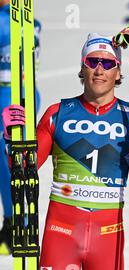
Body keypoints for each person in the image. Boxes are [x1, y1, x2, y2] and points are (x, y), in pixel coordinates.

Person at [2, 33, 129, 270]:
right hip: (60, 234)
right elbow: (23, 171)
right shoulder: (58, 113)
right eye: (93, 61)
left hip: (108, 238)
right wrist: (11, 138)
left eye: (108, 64)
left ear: (118, 72)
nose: (100, 70)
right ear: (83, 67)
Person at [0, 0, 42, 255]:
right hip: (26, 94)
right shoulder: (32, 22)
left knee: (11, 160)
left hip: (9, 95)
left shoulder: (9, 21)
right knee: (13, 159)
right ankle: (14, 222)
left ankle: (18, 224)